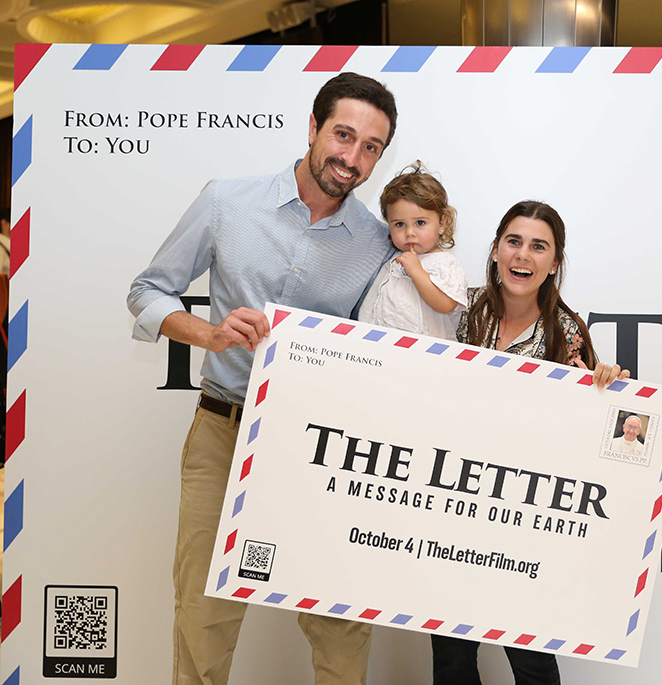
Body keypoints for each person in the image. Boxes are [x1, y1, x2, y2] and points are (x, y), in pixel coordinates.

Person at [127, 72, 398, 685]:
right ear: (313, 127)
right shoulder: (227, 201)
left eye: (371, 148)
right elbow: (147, 290)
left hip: (319, 450)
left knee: (341, 621)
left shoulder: (379, 245)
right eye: (343, 135)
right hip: (223, 431)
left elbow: (395, 351)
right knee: (204, 615)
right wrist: (209, 333)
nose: (352, 158)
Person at [433, 200, 626, 685]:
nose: (523, 255)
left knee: (532, 662)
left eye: (539, 246)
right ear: (497, 248)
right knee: (451, 659)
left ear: (555, 261)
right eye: (514, 242)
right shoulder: (458, 309)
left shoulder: (566, 331)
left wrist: (607, 385)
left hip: (524, 523)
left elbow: (589, 430)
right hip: (448, 511)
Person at [358, 162, 467, 339]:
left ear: (442, 223)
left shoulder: (444, 264)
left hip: (422, 353)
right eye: (399, 224)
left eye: (420, 223)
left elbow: (446, 304)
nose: (409, 233)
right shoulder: (393, 257)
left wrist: (417, 271)